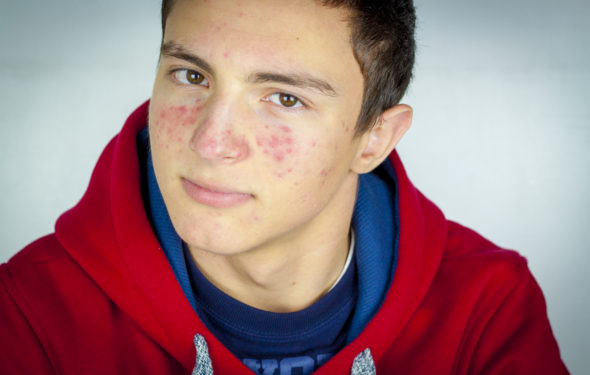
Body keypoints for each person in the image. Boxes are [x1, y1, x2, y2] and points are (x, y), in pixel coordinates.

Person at [0, 0, 569, 374]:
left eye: (285, 98)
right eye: (191, 75)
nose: (211, 141)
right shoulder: (28, 312)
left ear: (373, 139)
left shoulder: (487, 307)